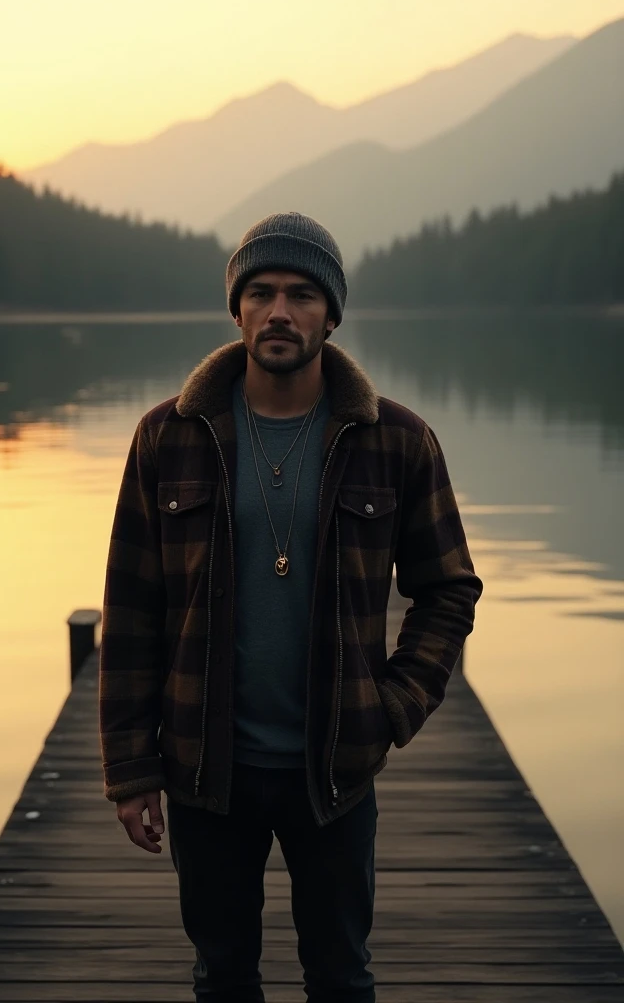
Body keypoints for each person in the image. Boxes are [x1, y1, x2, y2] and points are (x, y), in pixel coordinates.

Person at [98, 211, 483, 1003]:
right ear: (236, 309)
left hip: (334, 768)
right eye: (263, 292)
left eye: (303, 294)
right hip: (208, 769)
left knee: (341, 976)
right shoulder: (167, 438)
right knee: (222, 974)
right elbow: (131, 611)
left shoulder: (397, 442)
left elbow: (448, 589)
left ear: (331, 315)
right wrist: (131, 770)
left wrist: (394, 706)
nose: (281, 311)